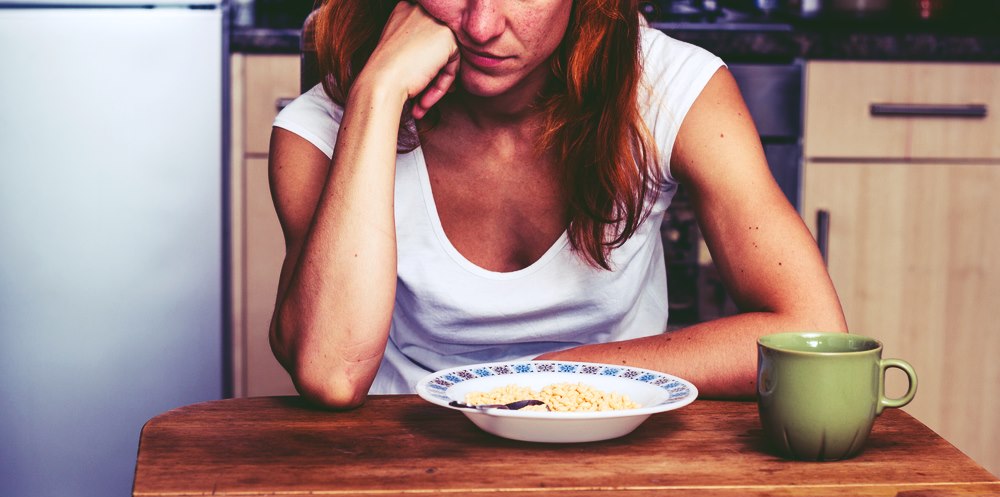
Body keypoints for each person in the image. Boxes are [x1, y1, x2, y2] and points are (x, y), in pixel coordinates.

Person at [267, 0, 847, 409]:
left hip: (614, 436)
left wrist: (548, 380)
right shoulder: (318, 130)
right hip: (403, 451)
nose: (483, 24)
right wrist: (378, 93)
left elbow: (809, 328)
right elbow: (330, 376)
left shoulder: (668, 86)